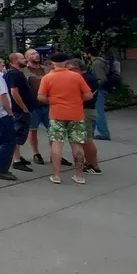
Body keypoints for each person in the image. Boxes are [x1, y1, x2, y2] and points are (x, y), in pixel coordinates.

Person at [38, 53, 93, 184]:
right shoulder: (76, 76)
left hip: (57, 114)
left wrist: (53, 101)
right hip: (76, 114)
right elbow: (89, 95)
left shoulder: (47, 77)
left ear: (52, 63)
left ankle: (56, 175)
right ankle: (79, 176)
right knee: (77, 144)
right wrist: (77, 101)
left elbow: (40, 97)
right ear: (66, 62)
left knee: (57, 144)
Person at [5, 52, 36, 173]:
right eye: (22, 58)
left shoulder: (17, 73)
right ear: (15, 61)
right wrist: (23, 107)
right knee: (18, 134)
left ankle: (17, 157)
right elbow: (14, 92)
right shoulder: (14, 74)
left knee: (20, 133)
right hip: (19, 110)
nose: (25, 60)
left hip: (20, 109)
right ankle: (16, 160)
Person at [86, 47, 112, 141]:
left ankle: (104, 134)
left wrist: (95, 88)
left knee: (98, 112)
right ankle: (91, 132)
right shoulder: (99, 62)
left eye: (85, 54)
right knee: (94, 112)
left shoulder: (97, 63)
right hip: (100, 90)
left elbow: (102, 78)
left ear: (89, 54)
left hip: (99, 90)